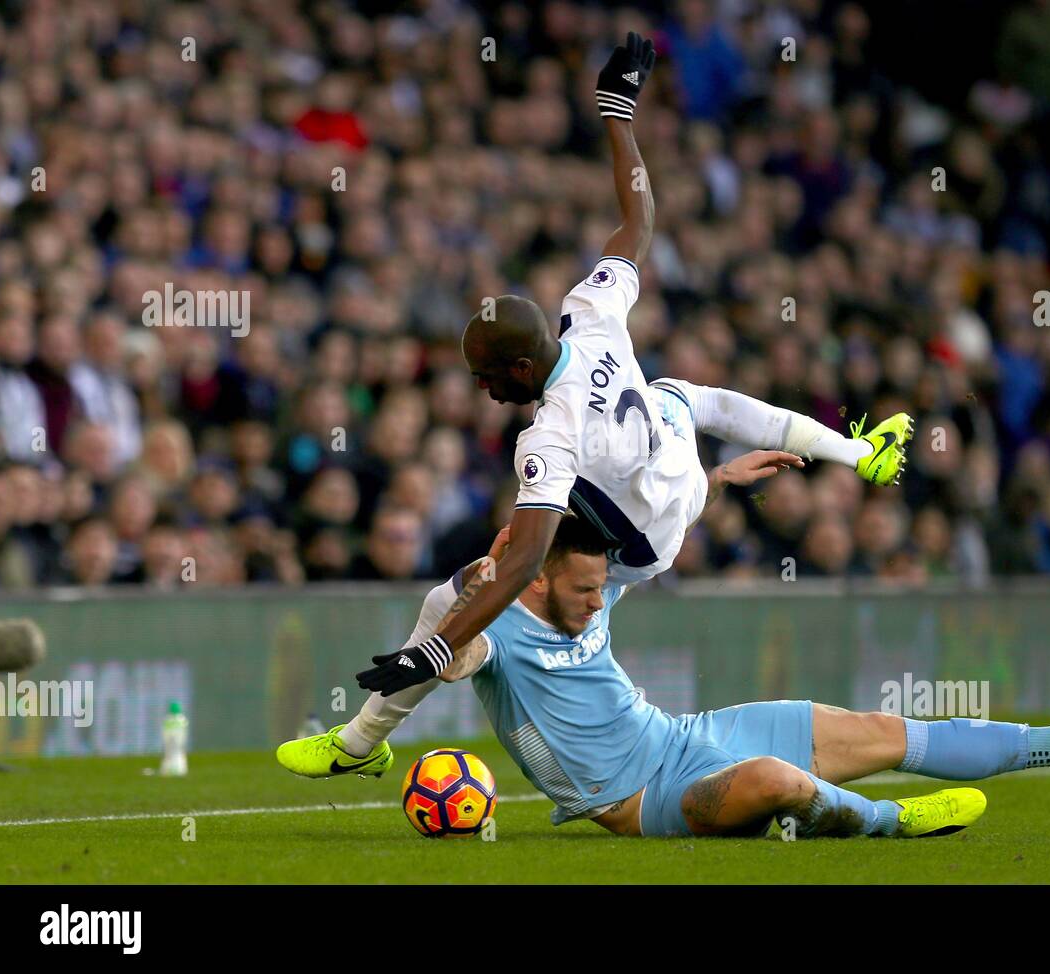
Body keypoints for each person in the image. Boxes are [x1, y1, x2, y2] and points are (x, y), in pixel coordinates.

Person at [356, 32, 914, 693]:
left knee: (484, 582)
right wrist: (618, 116)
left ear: (519, 370)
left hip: (643, 544)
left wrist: (439, 650)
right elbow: (639, 222)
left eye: (486, 375)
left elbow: (524, 560)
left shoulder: (550, 434)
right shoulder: (586, 313)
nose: (479, 387)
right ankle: (858, 453)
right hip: (675, 469)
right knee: (681, 394)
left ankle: (379, 727)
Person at [278, 453, 1050, 839]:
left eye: (604, 587)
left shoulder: (591, 573)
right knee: (777, 784)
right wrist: (369, 728)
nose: (597, 601)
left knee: (881, 729)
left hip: (684, 735)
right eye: (582, 592)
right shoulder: (485, 620)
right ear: (530, 574)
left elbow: (659, 533)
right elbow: (448, 657)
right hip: (637, 802)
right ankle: (893, 825)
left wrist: (713, 483)